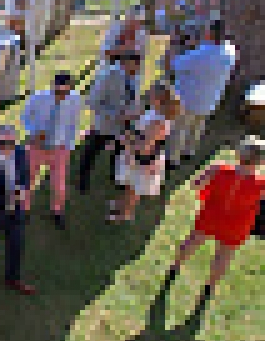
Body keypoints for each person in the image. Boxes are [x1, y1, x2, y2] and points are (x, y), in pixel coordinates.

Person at [163, 137, 265, 320]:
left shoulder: (219, 168)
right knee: (223, 255)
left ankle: (174, 269)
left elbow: (196, 184)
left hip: (212, 214)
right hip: (237, 223)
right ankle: (208, 288)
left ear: (238, 153)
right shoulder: (261, 183)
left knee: (191, 242)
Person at [108, 83, 181, 223]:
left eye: (152, 93)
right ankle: (121, 203)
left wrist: (125, 139)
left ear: (159, 99)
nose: (148, 93)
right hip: (135, 153)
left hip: (143, 159)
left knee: (135, 187)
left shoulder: (160, 122)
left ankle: (125, 213)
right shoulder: (155, 111)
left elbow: (144, 146)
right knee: (128, 182)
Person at [167, 18, 237, 166]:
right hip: (210, 97)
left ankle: (172, 159)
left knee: (179, 130)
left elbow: (174, 65)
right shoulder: (230, 50)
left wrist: (173, 44)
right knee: (196, 128)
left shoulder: (200, 55)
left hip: (188, 97)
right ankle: (189, 152)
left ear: (210, 33)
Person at [22, 71, 83, 228]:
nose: (61, 95)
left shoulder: (75, 100)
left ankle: (57, 211)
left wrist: (68, 147)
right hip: (36, 147)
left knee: (59, 183)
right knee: (28, 179)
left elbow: (73, 124)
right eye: (58, 91)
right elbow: (24, 117)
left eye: (65, 92)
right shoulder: (39, 98)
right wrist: (34, 132)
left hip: (59, 148)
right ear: (52, 86)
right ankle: (24, 209)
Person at [0, 125, 35, 295]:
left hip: (14, 208)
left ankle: (12, 278)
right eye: (3, 143)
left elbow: (25, 175)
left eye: (11, 143)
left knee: (16, 244)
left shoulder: (20, 153)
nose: (8, 147)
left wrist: (23, 189)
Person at [78, 52, 143, 192]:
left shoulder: (134, 75)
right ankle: (82, 179)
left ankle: (116, 177)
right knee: (93, 150)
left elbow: (133, 96)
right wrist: (116, 115)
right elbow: (92, 101)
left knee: (120, 150)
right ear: (126, 63)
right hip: (105, 123)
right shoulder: (107, 76)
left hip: (125, 123)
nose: (138, 70)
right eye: (136, 66)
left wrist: (134, 112)